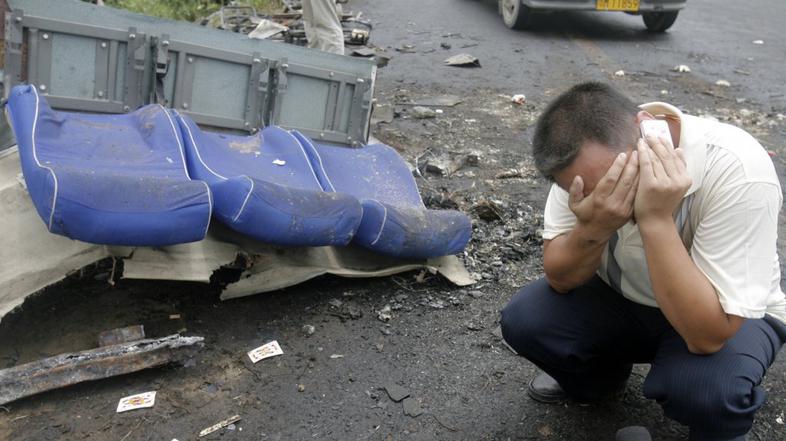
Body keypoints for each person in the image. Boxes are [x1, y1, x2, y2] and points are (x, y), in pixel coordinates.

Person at [500, 82, 786, 441]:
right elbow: (560, 277)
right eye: (592, 190)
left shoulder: (736, 167)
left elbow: (708, 336)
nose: (610, 195)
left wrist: (655, 219)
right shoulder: (583, 170)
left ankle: (721, 430)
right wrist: (594, 225)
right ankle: (602, 381)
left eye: (619, 180)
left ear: (650, 128)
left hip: (725, 314)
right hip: (627, 298)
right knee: (527, 320)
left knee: (707, 389)